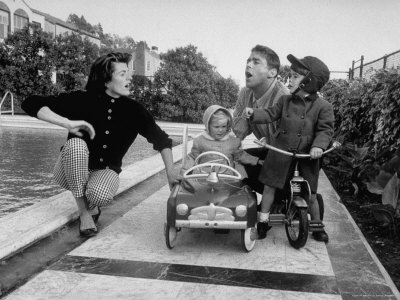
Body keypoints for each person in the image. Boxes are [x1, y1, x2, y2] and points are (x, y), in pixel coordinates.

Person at [21, 52, 175, 237]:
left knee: (100, 194)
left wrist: (171, 172)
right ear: (106, 80)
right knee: (76, 145)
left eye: (129, 73)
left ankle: (92, 207)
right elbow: (30, 102)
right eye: (122, 73)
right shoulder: (81, 99)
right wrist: (66, 123)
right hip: (68, 170)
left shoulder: (134, 110)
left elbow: (162, 140)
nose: (129, 78)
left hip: (104, 170)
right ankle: (84, 212)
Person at [243, 54, 334, 242]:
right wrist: (254, 114)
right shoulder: (285, 101)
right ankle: (263, 220)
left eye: (294, 76)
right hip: (281, 151)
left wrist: (318, 146)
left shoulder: (323, 106)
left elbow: (325, 130)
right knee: (270, 187)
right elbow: (270, 114)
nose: (289, 79)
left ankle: (317, 226)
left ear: (309, 81)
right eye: (289, 75)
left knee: (310, 194)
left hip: (307, 156)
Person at [232, 45, 290, 194]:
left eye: (256, 62)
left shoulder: (284, 98)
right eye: (248, 61)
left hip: (287, 158)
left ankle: (279, 201)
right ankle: (243, 203)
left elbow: (287, 146)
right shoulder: (245, 93)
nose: (248, 65)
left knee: (269, 173)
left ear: (272, 72)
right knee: (231, 160)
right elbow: (238, 131)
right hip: (269, 152)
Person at [182, 105, 259, 178]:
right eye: (216, 127)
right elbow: (192, 158)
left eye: (223, 126)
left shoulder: (233, 142)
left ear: (228, 125)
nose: (220, 130)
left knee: (241, 184)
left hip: (227, 178)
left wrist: (257, 161)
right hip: (204, 177)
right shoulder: (200, 141)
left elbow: (241, 156)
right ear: (208, 125)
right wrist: (183, 172)